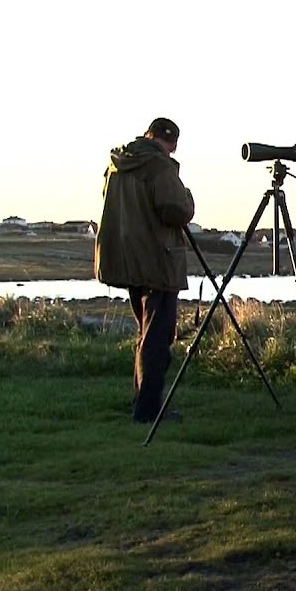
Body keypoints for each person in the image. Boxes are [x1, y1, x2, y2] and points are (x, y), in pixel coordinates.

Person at [95, 117, 195, 424]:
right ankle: (148, 409)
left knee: (145, 333)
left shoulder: (117, 164)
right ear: (170, 142)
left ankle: (142, 399)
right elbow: (175, 210)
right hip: (157, 258)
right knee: (157, 337)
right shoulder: (159, 166)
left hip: (127, 258)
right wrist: (188, 197)